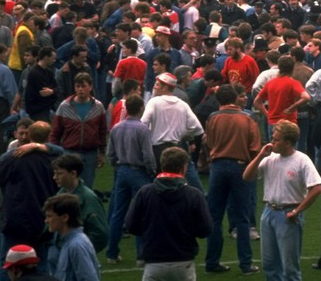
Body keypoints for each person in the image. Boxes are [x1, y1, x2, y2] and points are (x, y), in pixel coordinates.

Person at [243, 120, 321, 281]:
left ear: (288, 142)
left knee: (289, 268)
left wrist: (297, 211)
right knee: (269, 264)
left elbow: (317, 188)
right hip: (268, 213)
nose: (272, 142)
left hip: (289, 215)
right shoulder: (269, 158)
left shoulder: (302, 160)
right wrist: (260, 156)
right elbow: (247, 176)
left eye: (276, 139)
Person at [124, 146, 213, 281]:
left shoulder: (145, 193)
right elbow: (205, 230)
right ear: (183, 167)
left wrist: (149, 230)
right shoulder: (194, 195)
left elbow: (131, 225)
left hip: (154, 262)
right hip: (184, 262)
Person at [0, 121, 59, 275]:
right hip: (43, 217)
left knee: (6, 262)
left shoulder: (14, 158)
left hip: (16, 216)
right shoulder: (55, 159)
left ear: (30, 136)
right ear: (48, 137)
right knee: (40, 261)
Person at [203, 84, 261, 274]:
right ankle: (245, 264)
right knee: (243, 218)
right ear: (235, 98)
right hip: (241, 167)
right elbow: (254, 147)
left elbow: (208, 142)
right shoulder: (248, 118)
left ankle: (212, 262)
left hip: (218, 167)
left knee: (215, 217)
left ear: (219, 100)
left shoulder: (213, 118)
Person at [105, 93, 156, 265]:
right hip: (138, 171)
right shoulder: (142, 129)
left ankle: (111, 253)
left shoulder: (116, 128)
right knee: (142, 213)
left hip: (122, 171)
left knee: (118, 213)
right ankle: (141, 255)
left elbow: (110, 154)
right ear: (141, 108)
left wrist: (117, 165)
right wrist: (151, 171)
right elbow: (148, 156)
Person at [49, 72, 107, 189]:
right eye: (77, 86)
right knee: (67, 186)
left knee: (87, 186)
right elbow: (55, 132)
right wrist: (54, 153)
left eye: (83, 86)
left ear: (90, 87)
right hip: (70, 151)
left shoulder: (98, 107)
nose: (80, 89)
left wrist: (101, 152)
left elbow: (102, 131)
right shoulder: (64, 106)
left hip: (90, 153)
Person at [51, 153, 109, 254]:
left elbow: (100, 234)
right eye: (54, 173)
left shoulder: (89, 199)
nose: (54, 177)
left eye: (59, 173)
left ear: (73, 174)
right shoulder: (61, 193)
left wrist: (79, 250)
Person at [43, 193, 101, 281]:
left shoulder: (76, 245)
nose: (46, 221)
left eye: (49, 216)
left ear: (65, 217)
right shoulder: (68, 242)